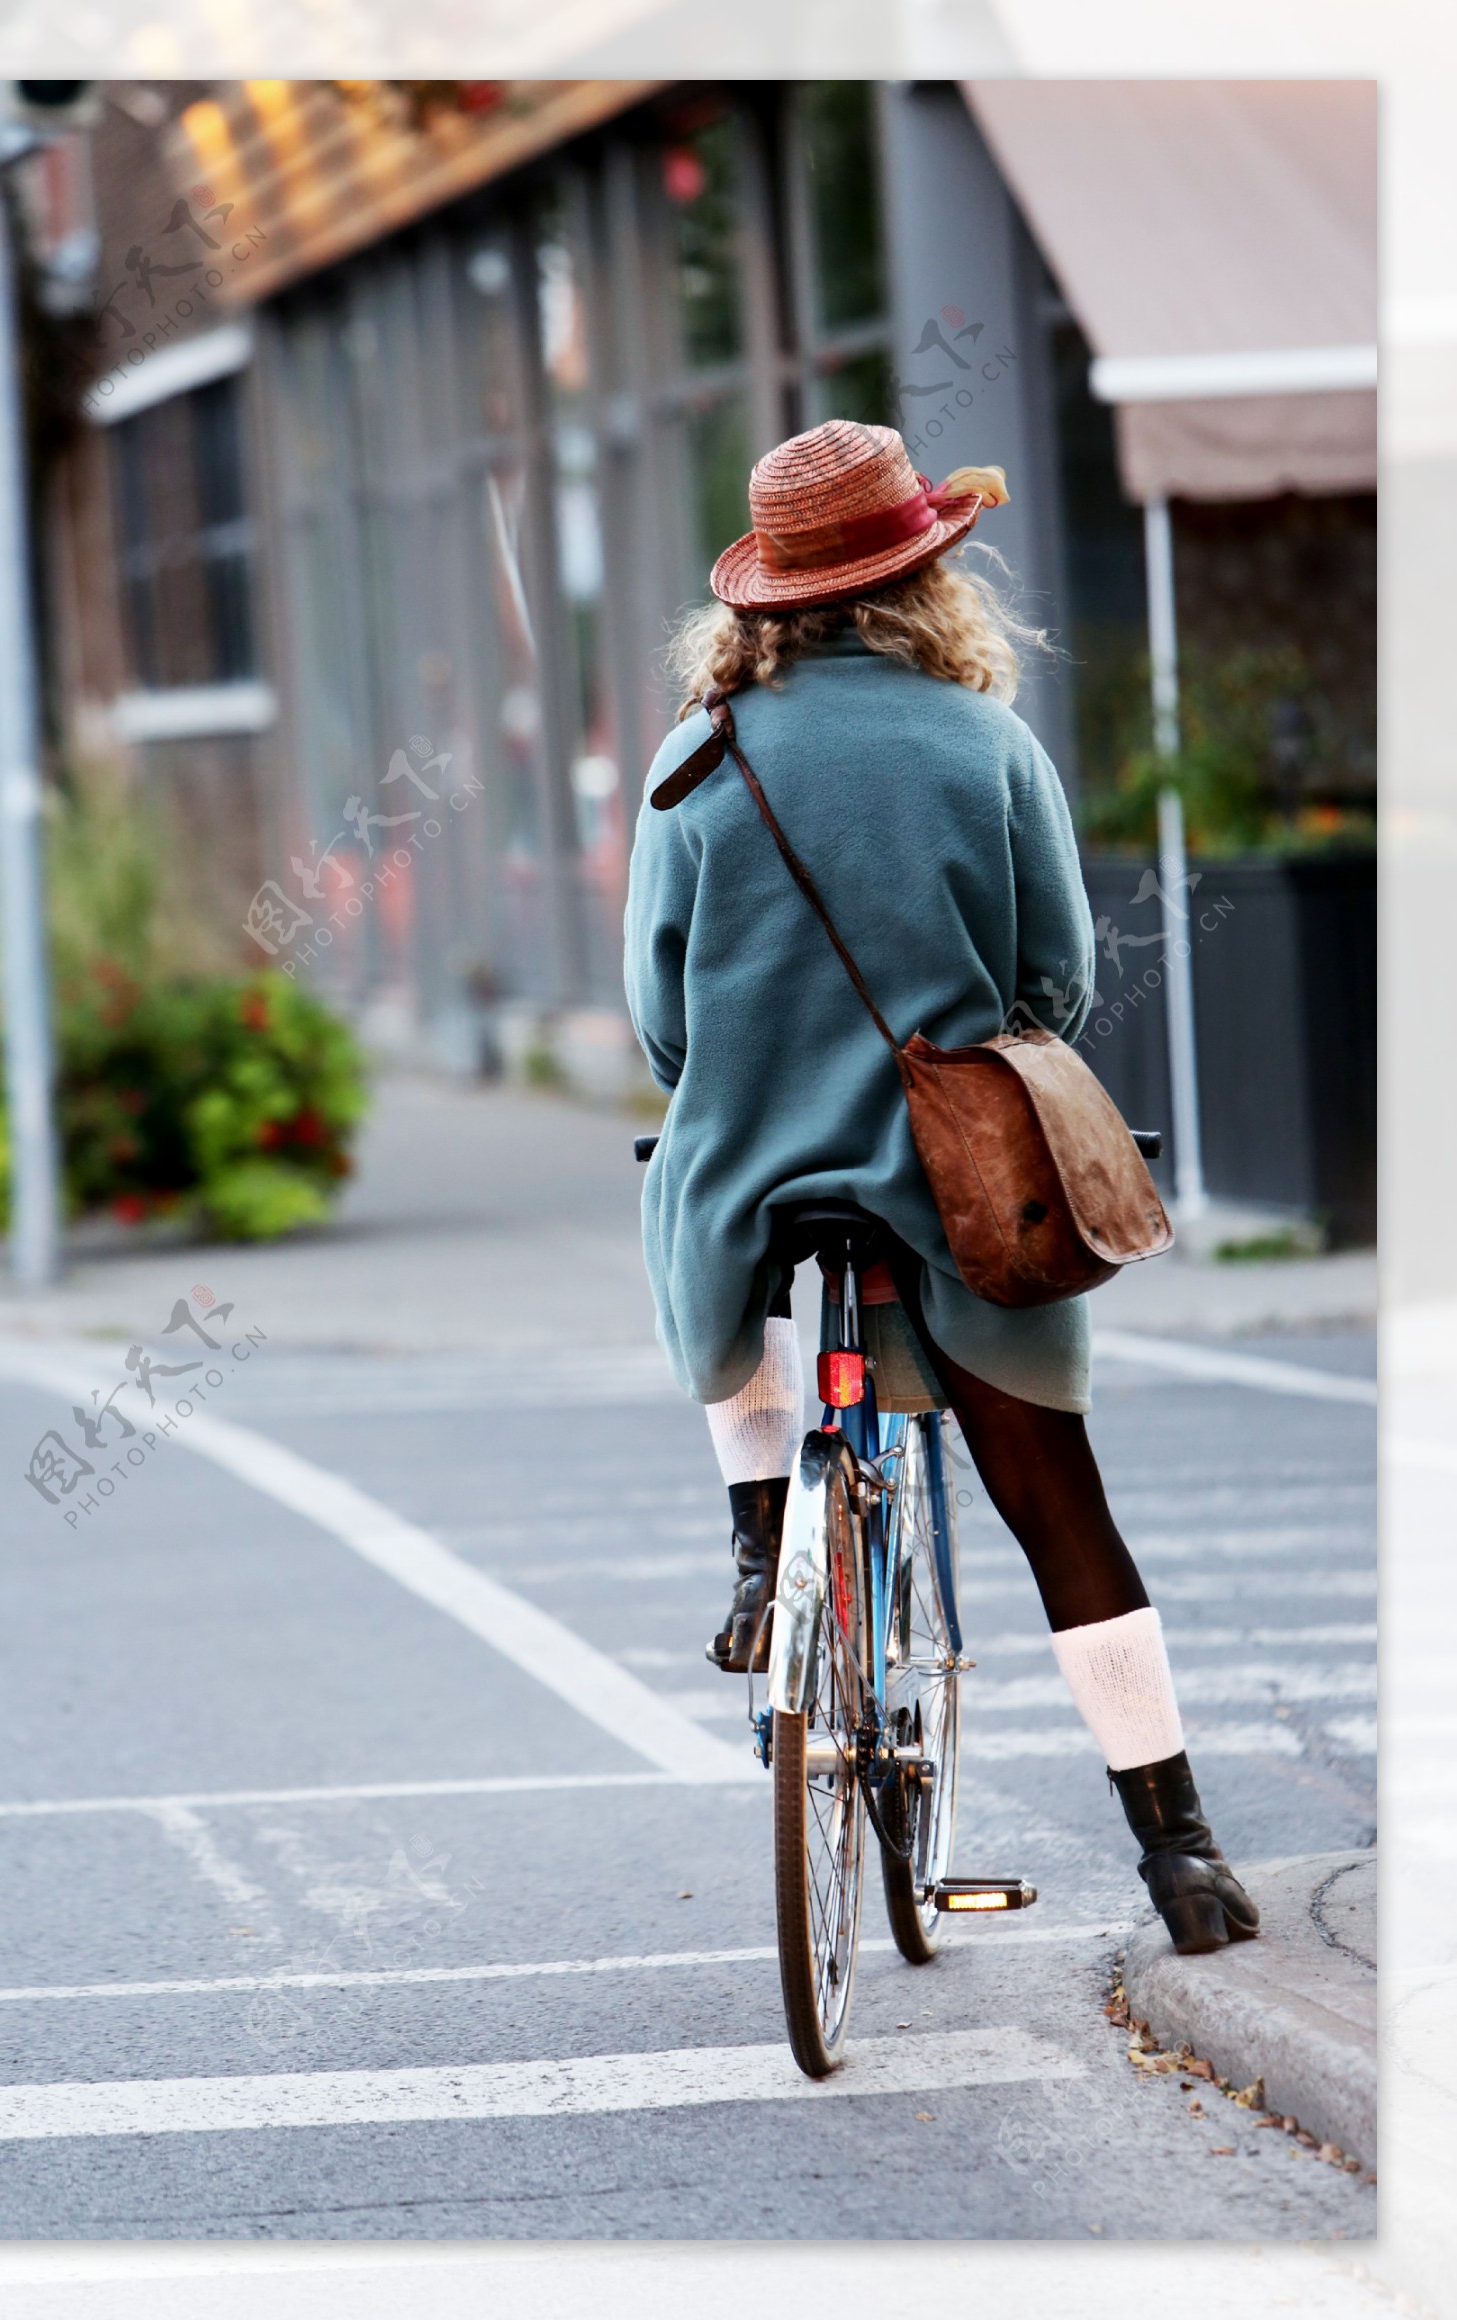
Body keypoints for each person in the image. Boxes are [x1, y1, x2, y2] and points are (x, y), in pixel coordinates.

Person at [623, 419, 1258, 1958]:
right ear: (925, 583)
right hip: (965, 1190)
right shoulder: (985, 744)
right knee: (1061, 1511)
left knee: (715, 1251)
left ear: (765, 594)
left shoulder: (696, 757)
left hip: (751, 1182)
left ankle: (764, 1539)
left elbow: (661, 1023)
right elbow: (1056, 978)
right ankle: (1181, 1855)